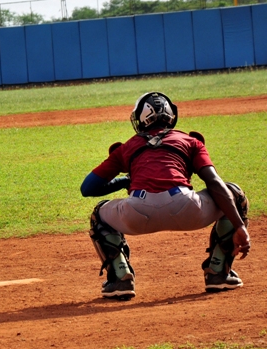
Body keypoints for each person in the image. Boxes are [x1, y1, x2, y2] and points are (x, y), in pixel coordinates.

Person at [80, 92, 250, 300]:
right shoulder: (190, 141)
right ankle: (218, 273)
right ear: (171, 115)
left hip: (137, 211)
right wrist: (239, 225)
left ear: (140, 119)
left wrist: (126, 180)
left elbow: (88, 188)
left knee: (99, 214)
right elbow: (215, 183)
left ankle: (120, 279)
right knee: (233, 192)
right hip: (187, 207)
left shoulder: (128, 146)